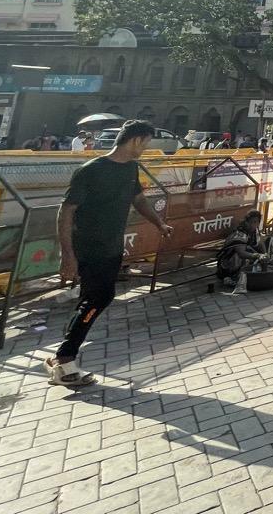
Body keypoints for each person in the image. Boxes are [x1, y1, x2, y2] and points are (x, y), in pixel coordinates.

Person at [47, 120, 174, 387]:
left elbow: (138, 200)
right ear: (137, 140)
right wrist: (67, 254)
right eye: (147, 142)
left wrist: (158, 223)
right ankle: (64, 360)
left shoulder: (130, 169)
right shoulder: (91, 170)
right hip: (90, 246)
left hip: (112, 246)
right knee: (100, 297)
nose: (147, 148)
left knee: (92, 299)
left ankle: (64, 355)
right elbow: (66, 211)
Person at [216, 210, 273, 292]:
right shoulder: (240, 233)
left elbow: (260, 242)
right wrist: (258, 256)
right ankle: (233, 277)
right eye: (251, 222)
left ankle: (265, 265)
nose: (253, 224)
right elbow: (241, 253)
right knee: (244, 254)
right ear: (246, 222)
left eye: (255, 222)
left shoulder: (254, 230)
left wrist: (265, 254)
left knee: (270, 241)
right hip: (228, 263)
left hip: (246, 256)